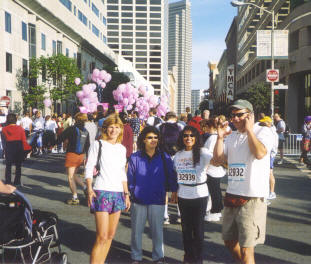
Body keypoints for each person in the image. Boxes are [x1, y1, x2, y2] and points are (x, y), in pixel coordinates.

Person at [213, 99, 274, 264]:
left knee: (247, 247)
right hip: (232, 194)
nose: (235, 119)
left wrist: (250, 131)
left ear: (250, 116)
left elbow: (260, 153)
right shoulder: (232, 136)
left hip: (252, 197)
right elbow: (218, 160)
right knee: (229, 240)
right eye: (233, 116)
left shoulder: (262, 131)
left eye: (240, 115)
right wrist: (219, 138)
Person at [127, 126, 178, 263]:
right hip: (139, 199)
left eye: (156, 137)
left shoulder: (164, 156)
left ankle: (158, 256)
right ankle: (136, 256)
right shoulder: (135, 157)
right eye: (150, 137)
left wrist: (174, 190)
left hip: (157, 198)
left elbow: (171, 175)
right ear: (143, 140)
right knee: (137, 231)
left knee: (157, 231)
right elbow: (130, 177)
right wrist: (132, 193)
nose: (153, 140)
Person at [85, 113, 130, 264]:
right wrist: (89, 189)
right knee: (101, 236)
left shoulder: (122, 148)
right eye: (111, 127)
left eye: (117, 127)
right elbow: (89, 166)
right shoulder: (97, 144)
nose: (113, 130)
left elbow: (122, 172)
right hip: (101, 191)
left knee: (110, 236)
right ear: (105, 128)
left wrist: (126, 193)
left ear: (120, 129)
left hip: (118, 193)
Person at [173, 125, 213, 264]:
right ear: (182, 138)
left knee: (198, 229)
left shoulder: (203, 152)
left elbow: (216, 160)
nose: (188, 138)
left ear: (196, 138)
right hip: (183, 195)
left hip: (199, 195)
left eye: (191, 135)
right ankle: (188, 256)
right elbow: (174, 175)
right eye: (185, 135)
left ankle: (198, 259)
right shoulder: (178, 155)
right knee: (186, 229)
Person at [57, 113, 90, 205]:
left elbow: (61, 137)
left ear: (76, 119)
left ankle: (75, 197)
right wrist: (86, 157)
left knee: (70, 177)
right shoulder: (86, 131)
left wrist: (56, 143)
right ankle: (85, 188)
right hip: (81, 155)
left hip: (72, 154)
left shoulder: (72, 129)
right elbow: (87, 145)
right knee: (74, 174)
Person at [203, 117, 227, 222]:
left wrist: (205, 167)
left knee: (214, 191)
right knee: (215, 190)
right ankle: (217, 210)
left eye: (206, 127)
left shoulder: (212, 138)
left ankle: (215, 211)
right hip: (216, 168)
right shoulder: (215, 137)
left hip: (212, 168)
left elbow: (208, 154)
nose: (205, 129)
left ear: (209, 127)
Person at [2, 114, 31, 186]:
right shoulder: (20, 128)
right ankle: (17, 181)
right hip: (19, 146)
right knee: (18, 165)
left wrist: (4, 149)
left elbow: (3, 140)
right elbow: (24, 140)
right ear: (15, 120)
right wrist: (28, 148)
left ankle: (8, 181)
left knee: (8, 165)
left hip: (9, 147)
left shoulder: (4, 129)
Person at [258, 116, 279, 202]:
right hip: (268, 154)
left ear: (268, 123)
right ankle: (269, 193)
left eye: (263, 123)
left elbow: (273, 146)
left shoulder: (271, 132)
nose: (261, 124)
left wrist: (271, 154)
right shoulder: (269, 130)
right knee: (267, 173)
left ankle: (271, 192)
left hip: (269, 155)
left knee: (269, 173)